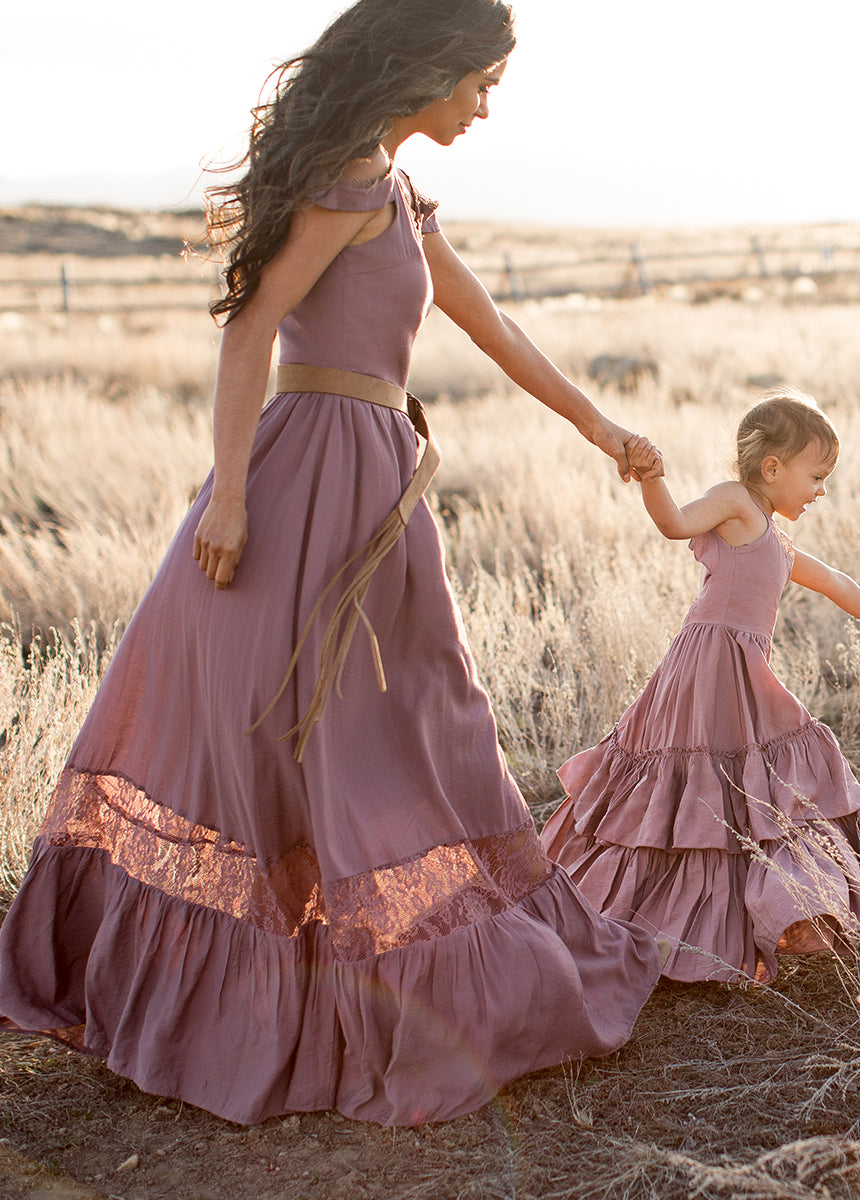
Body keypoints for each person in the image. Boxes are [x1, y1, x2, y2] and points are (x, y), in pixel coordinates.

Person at [0, 0, 665, 1126]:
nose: (485, 105)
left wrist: (601, 431)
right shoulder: (351, 182)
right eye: (479, 81)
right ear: (430, 66)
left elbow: (493, 329)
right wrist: (231, 497)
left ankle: (359, 982)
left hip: (376, 493)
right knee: (277, 727)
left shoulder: (401, 198)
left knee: (414, 714)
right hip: (302, 477)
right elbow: (249, 327)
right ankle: (251, 1007)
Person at [542, 388, 860, 985]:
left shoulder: (776, 537)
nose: (822, 491)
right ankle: (655, 915)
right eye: (817, 476)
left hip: (741, 671)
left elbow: (837, 582)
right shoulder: (736, 502)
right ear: (773, 468)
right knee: (703, 780)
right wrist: (652, 476)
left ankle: (768, 911)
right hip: (708, 667)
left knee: (750, 784)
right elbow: (672, 523)